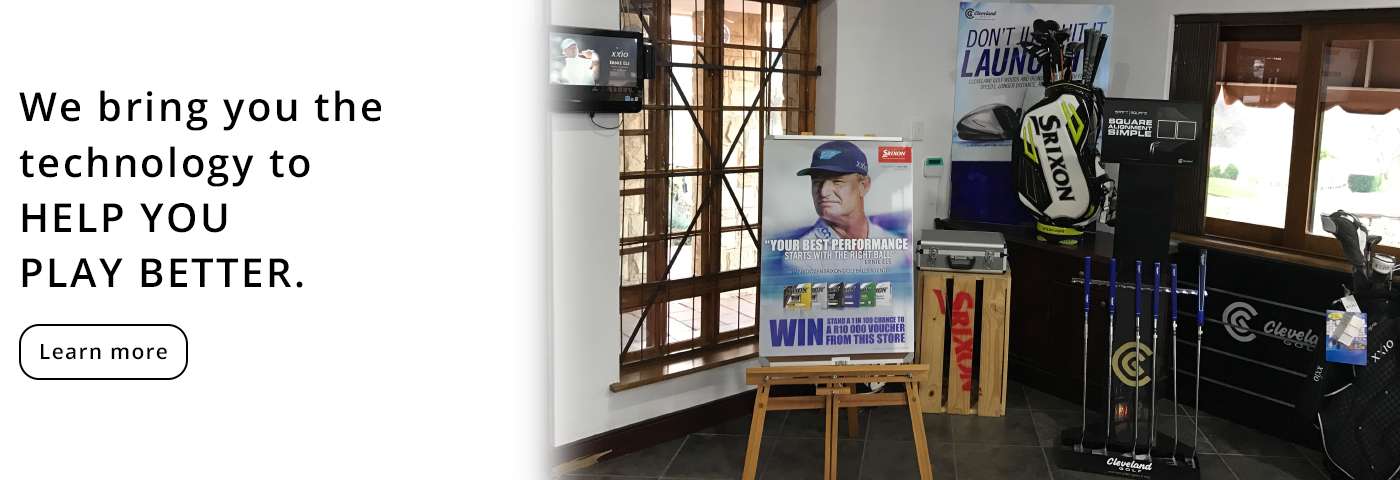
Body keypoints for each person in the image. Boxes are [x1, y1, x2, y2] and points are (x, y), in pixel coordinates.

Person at [793, 140, 899, 240]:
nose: (823, 192)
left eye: (837, 181)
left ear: (863, 186)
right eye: (817, 182)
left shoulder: (893, 245)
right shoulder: (802, 251)